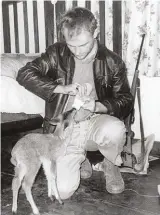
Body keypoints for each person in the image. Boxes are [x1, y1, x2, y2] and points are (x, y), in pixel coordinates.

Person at [17, 7, 133, 199]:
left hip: (96, 120)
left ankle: (110, 162)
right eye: (71, 45)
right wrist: (61, 88)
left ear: (95, 33)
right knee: (62, 192)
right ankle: (81, 159)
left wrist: (96, 105)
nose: (77, 52)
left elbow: (126, 100)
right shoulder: (57, 53)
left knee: (115, 130)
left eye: (83, 45)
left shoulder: (113, 62)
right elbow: (24, 74)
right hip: (66, 128)